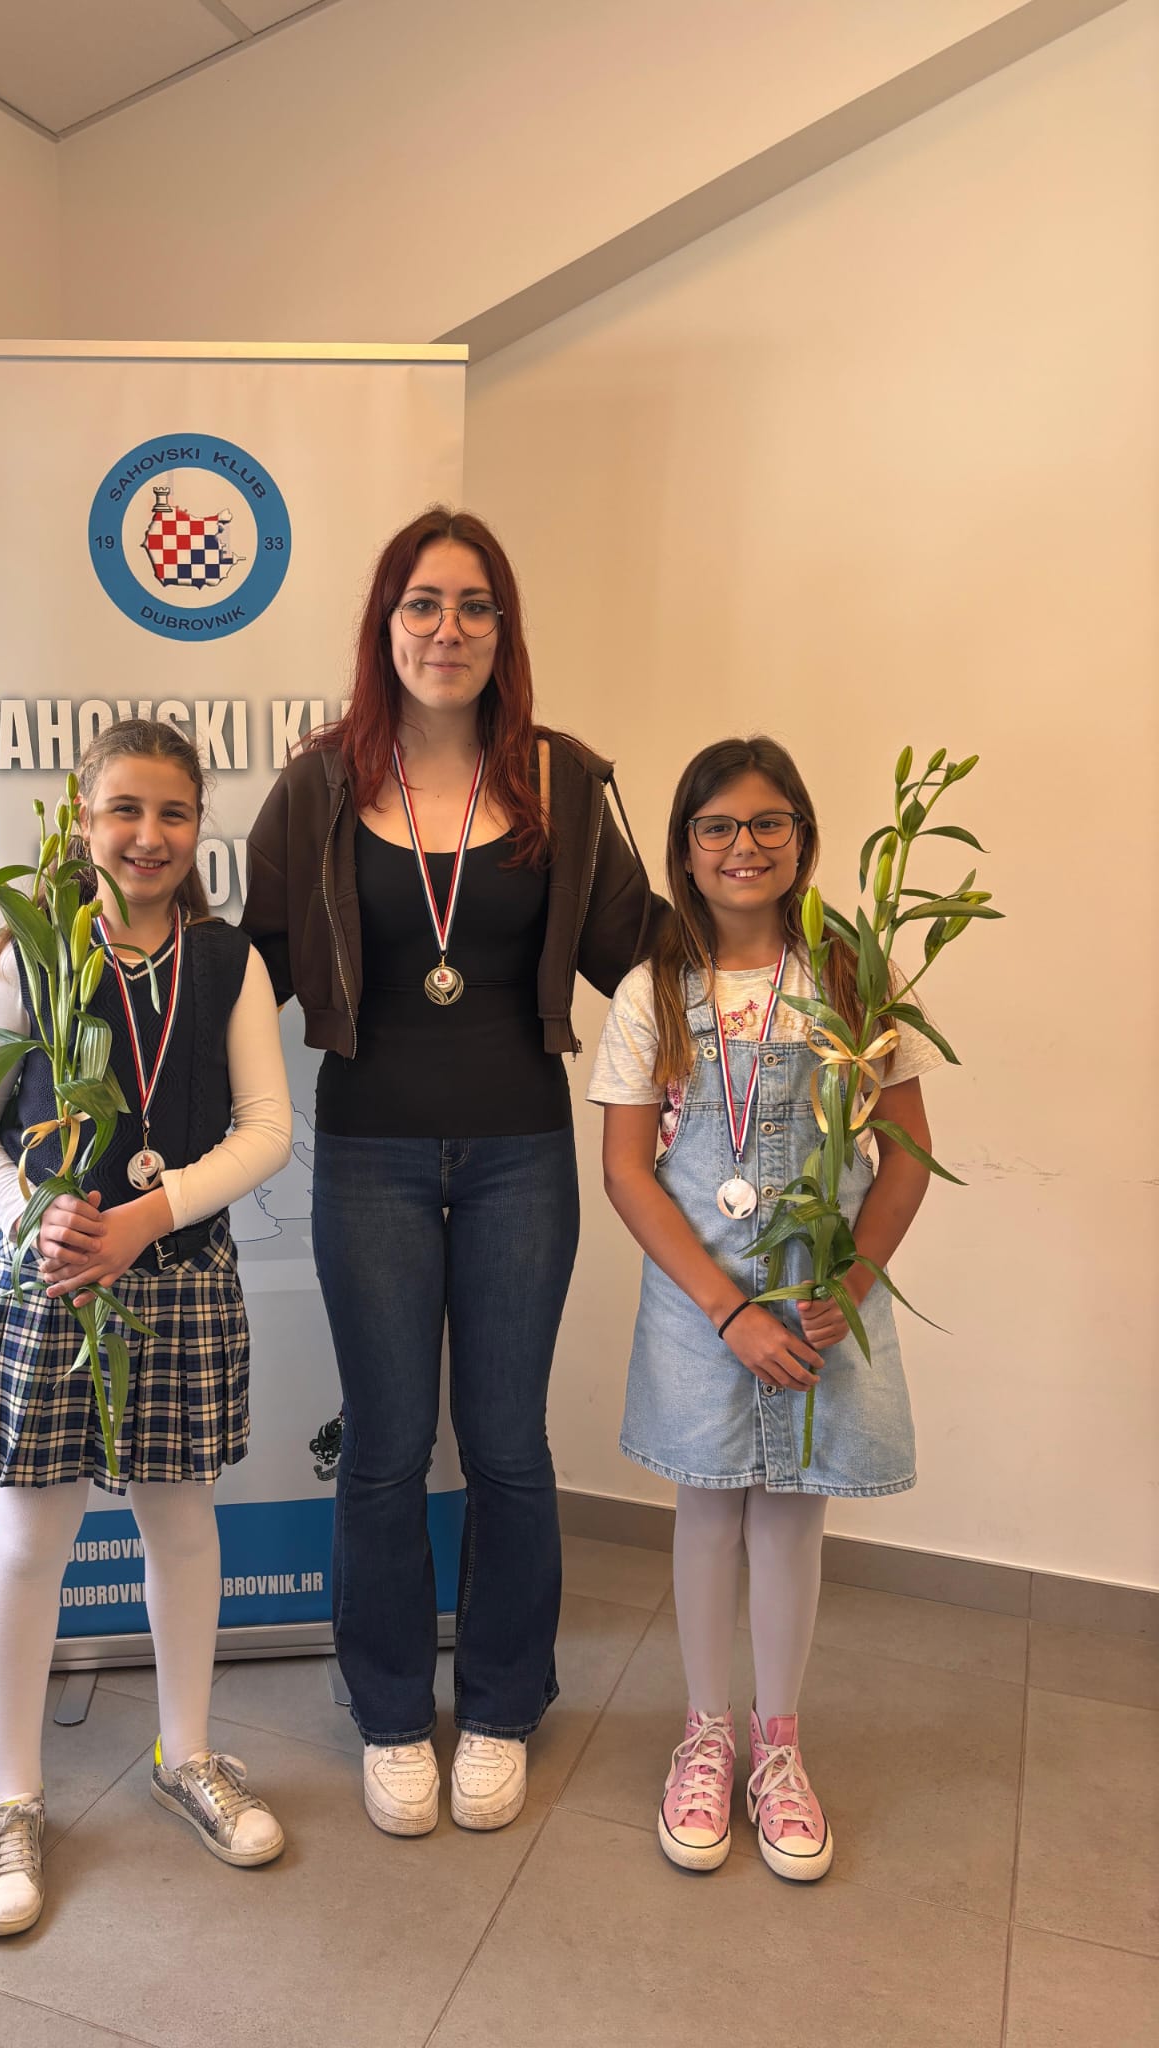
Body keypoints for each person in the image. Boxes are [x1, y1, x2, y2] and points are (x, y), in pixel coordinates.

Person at [242, 507, 656, 1837]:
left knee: (508, 1444)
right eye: (422, 603)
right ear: (386, 624)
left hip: (520, 1155)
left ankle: (499, 1703)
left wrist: (787, 958)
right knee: (382, 1445)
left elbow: (641, 953)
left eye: (475, 605)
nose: (448, 628)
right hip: (367, 1151)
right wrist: (103, 971)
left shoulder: (562, 780)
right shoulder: (317, 785)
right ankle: (385, 1711)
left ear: (504, 629)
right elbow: (245, 966)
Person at [0, 718, 293, 1935]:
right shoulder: (32, 950)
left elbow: (266, 1128)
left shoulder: (229, 960)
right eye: (125, 810)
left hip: (178, 1272)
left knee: (180, 1524)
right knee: (31, 1536)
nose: (149, 835)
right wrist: (32, 1212)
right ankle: (13, 1797)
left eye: (174, 812)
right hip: (59, 1285)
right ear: (81, 820)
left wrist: (150, 1213)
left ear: (200, 826)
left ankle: (185, 1753)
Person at [590, 735, 941, 1881]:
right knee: (707, 1507)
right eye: (718, 826)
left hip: (817, 1301)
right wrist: (725, 1309)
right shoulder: (653, 991)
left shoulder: (856, 976)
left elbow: (906, 1156)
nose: (743, 845)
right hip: (702, 1304)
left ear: (803, 837)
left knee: (791, 1511)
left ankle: (778, 1747)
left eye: (767, 822)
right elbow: (628, 1171)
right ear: (685, 848)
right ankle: (704, 1735)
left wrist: (849, 1284)